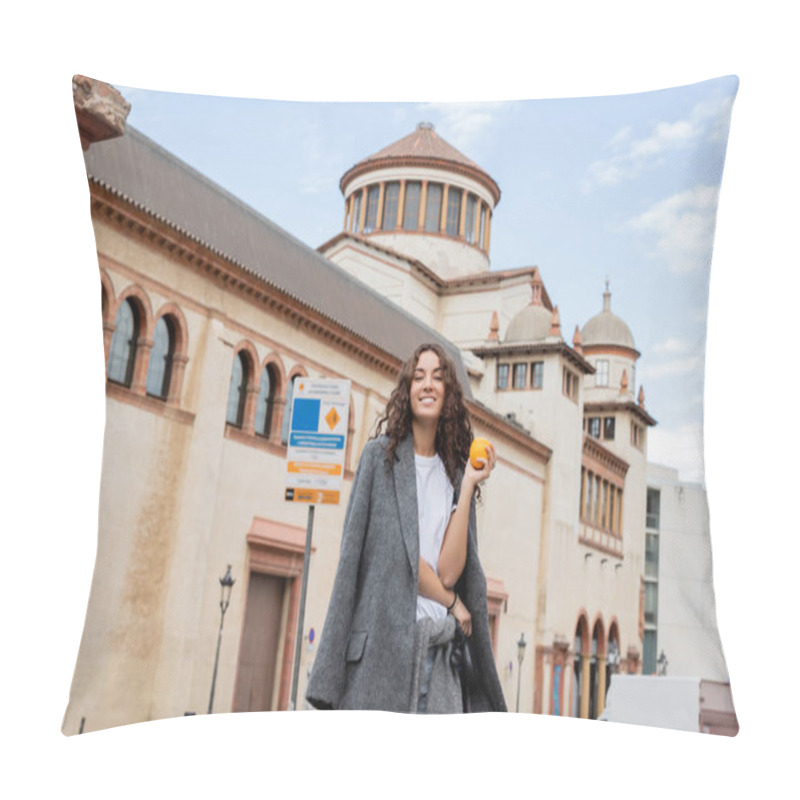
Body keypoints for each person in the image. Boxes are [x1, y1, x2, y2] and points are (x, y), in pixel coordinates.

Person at [306, 343, 507, 713]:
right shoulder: (377, 460)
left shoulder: (454, 474)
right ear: (407, 390)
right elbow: (365, 562)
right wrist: (451, 603)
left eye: (438, 377)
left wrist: (467, 488)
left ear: (448, 393)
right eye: (418, 377)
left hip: (439, 659)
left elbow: (448, 571)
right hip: (379, 658)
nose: (428, 384)